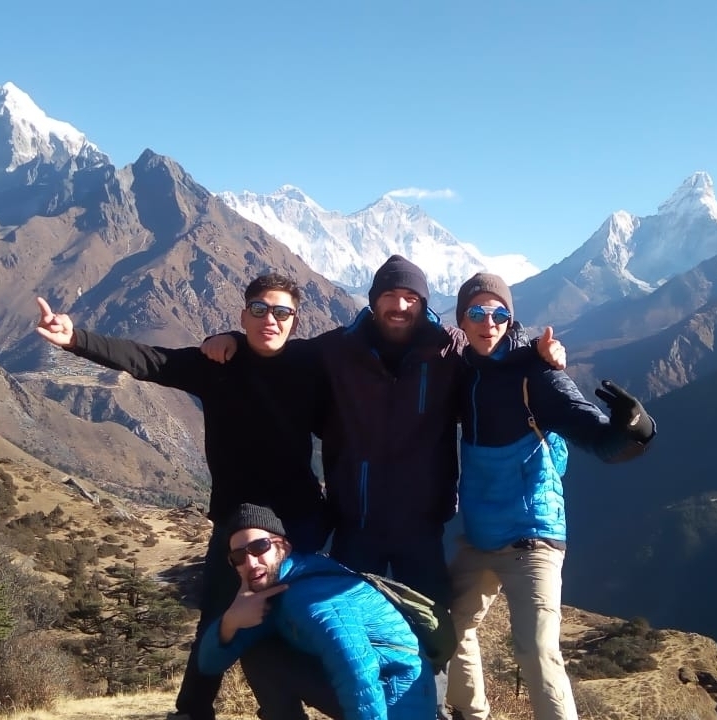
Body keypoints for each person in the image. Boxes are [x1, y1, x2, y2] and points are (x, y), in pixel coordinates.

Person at [203, 256, 565, 719]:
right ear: (374, 301)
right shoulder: (338, 348)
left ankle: (430, 710)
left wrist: (538, 355)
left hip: (421, 524)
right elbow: (278, 350)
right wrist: (234, 339)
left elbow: (493, 352)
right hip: (357, 521)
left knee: (433, 628)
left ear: (423, 304)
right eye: (390, 295)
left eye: (411, 297)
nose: (400, 305)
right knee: (349, 630)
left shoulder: (448, 349)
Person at [35, 273, 329, 720]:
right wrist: (76, 339)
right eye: (259, 309)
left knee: (302, 615)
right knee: (216, 614)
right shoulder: (217, 365)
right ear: (243, 315)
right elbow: (150, 361)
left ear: (295, 320)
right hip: (236, 522)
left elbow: (360, 352)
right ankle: (192, 710)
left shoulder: (310, 365)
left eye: (281, 312)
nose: (270, 319)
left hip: (299, 520)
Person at [443, 273, 656, 720]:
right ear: (461, 320)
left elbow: (597, 438)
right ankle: (469, 713)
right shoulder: (461, 372)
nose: (488, 323)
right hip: (480, 537)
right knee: (449, 627)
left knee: (538, 651)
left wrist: (634, 429)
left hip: (533, 536)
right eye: (477, 313)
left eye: (499, 313)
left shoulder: (536, 374)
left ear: (510, 318)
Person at [199, 503, 435, 720]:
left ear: (283, 547)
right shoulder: (271, 594)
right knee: (261, 654)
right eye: (238, 556)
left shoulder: (309, 596)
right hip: (374, 685)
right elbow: (208, 665)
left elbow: (357, 670)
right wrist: (231, 621)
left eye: (259, 547)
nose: (250, 562)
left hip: (397, 691)